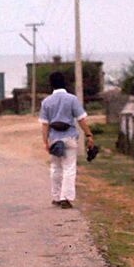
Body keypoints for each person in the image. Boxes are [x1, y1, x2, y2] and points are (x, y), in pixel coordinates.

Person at [38, 71, 94, 208]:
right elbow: (81, 120)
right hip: (69, 137)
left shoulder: (46, 102)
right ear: (65, 83)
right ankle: (66, 198)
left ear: (51, 84)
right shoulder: (72, 99)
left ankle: (56, 197)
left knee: (55, 168)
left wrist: (45, 141)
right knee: (69, 168)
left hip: (54, 139)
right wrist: (89, 135)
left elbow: (44, 124)